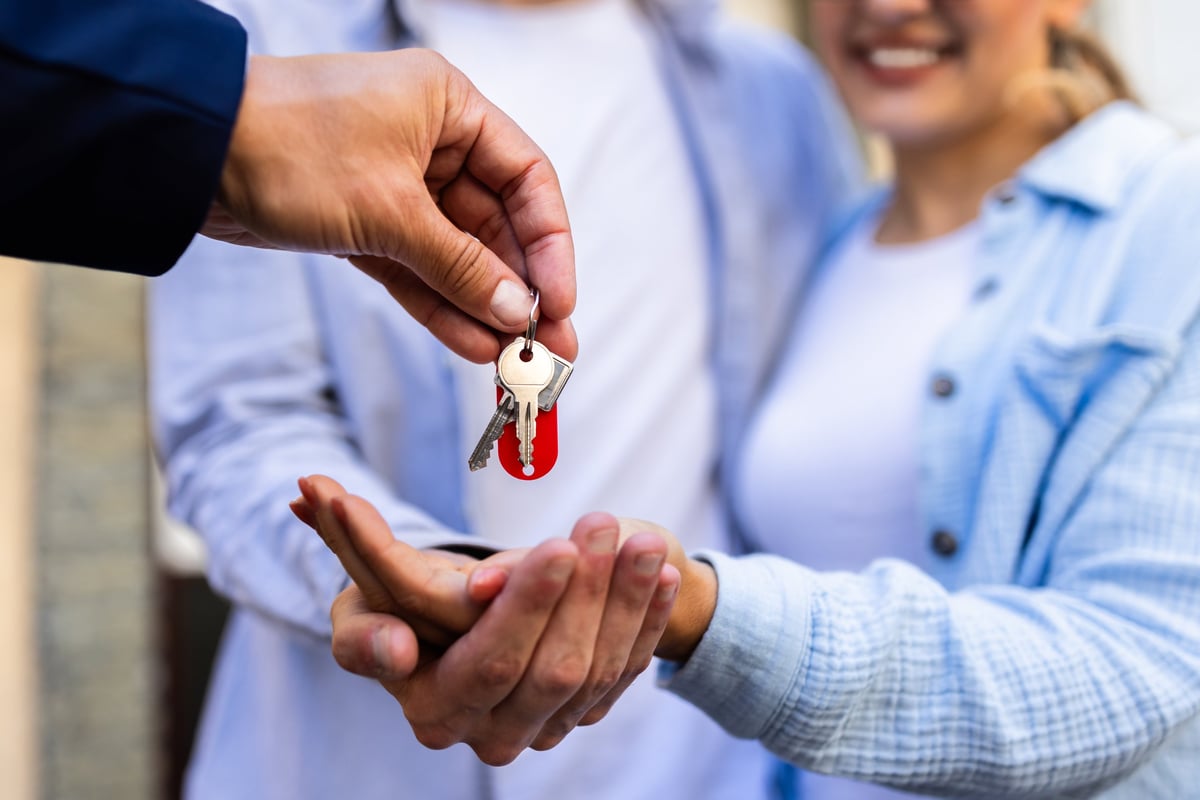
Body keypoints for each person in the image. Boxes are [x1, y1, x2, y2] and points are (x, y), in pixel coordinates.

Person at [308, 0, 1200, 797]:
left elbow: (1133, 666)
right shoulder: (833, 240)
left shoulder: (1169, 220)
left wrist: (692, 610)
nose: (889, 8)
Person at [149, 0, 860, 798]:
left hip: (696, 766)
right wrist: (415, 581)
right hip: (358, 767)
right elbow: (236, 424)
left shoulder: (773, 91)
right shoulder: (265, 57)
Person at [2, 0, 576, 363]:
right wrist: (234, 119)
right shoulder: (265, 25)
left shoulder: (663, 37)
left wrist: (225, 118)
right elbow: (240, 408)